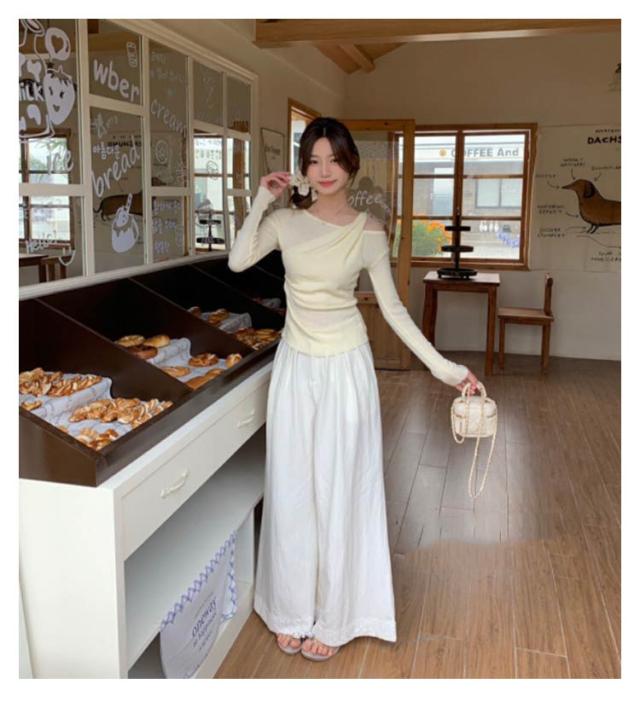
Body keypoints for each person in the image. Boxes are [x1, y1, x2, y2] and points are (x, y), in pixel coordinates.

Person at [228, 117, 478, 662]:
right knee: (292, 489)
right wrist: (261, 199)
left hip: (345, 370)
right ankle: (292, 608)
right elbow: (238, 260)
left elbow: (393, 311)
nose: (324, 171)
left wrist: (447, 370)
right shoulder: (286, 223)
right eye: (313, 161)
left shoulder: (368, 232)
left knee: (342, 490)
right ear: (302, 167)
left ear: (351, 165)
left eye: (334, 160)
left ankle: (338, 614)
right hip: (296, 368)